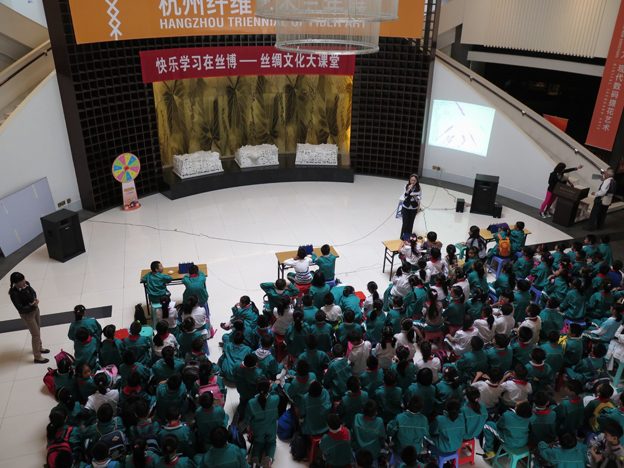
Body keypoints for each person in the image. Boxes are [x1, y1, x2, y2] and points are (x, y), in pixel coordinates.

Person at [8, 272, 49, 363]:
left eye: (24, 279)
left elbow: (33, 292)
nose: (24, 281)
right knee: (35, 334)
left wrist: (35, 299)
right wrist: (31, 306)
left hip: (35, 309)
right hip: (27, 315)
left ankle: (39, 347)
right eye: (21, 281)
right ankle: (37, 357)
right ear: (16, 283)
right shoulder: (14, 293)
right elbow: (20, 308)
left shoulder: (26, 284)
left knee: (37, 329)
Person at [245, 378, 279, 467]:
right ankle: (269, 458)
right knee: (271, 442)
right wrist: (273, 386)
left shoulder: (251, 403)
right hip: (271, 428)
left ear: (257, 388)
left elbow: (247, 418)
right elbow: (273, 394)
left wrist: (248, 426)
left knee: (258, 443)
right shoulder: (276, 399)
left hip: (258, 428)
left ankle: (255, 458)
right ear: (269, 388)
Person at [399, 174, 422, 239]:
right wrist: (408, 190)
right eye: (412, 180)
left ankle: (409, 237)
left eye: (414, 180)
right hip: (406, 207)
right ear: (410, 180)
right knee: (405, 223)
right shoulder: (406, 186)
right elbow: (404, 196)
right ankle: (402, 237)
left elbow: (420, 197)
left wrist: (416, 197)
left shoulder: (418, 188)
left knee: (411, 223)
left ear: (417, 181)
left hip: (413, 207)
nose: (413, 182)